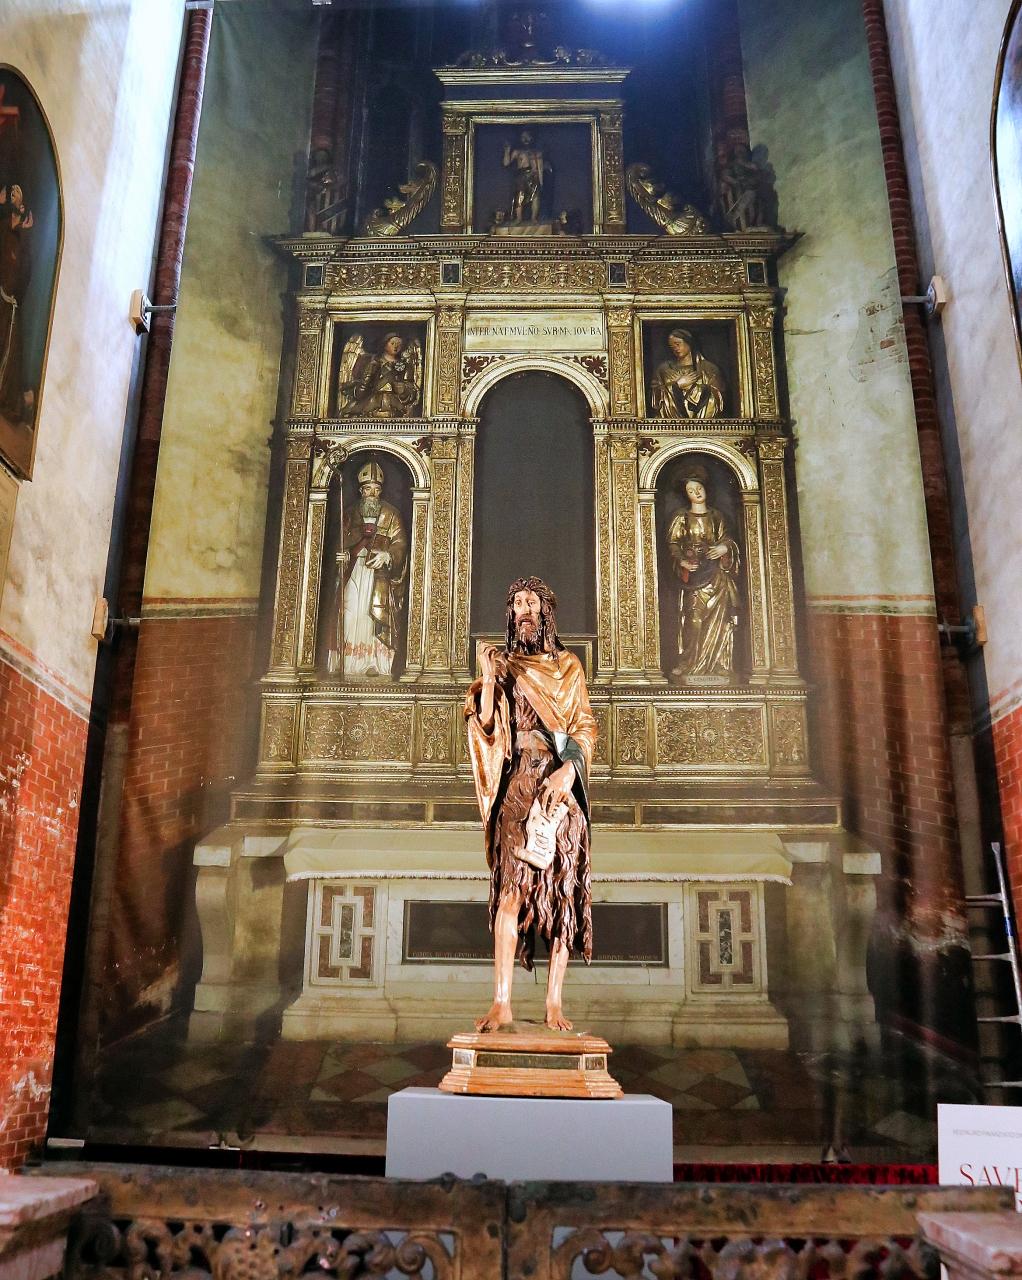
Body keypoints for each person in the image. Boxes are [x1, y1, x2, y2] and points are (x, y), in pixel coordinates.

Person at [464, 576, 598, 1032]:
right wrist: (487, 679)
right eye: (517, 603)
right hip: (519, 786)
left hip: (559, 788)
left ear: (545, 611)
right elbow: (486, 725)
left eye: (531, 603)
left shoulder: (568, 667)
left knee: (562, 893)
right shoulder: (505, 667)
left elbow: (584, 727)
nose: (524, 610)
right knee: (511, 892)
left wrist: (569, 771)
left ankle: (554, 1003)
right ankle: (501, 1002)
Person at [328, 460, 407, 678]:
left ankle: (373, 663)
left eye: (376, 489)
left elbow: (400, 543)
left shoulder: (391, 514)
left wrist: (388, 555)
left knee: (373, 616)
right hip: (354, 572)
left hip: (378, 575)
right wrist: (341, 554)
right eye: (368, 489)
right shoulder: (350, 512)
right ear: (361, 490)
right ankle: (347, 662)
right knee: (350, 612)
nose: (372, 493)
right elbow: (338, 543)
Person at [665, 464, 741, 682]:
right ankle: (689, 663)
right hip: (695, 575)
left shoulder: (716, 516)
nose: (696, 493)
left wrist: (724, 548)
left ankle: (718, 664)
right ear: (686, 494)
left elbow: (726, 539)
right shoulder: (682, 517)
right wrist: (682, 562)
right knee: (693, 619)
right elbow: (672, 543)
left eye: (698, 488)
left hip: (716, 575)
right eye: (691, 490)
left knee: (721, 621)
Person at [0, 183, 34, 426]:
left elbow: (24, 274)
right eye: (11, 194)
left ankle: (20, 400)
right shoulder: (3, 228)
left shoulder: (23, 240)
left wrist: (25, 235)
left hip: (9, 306)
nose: (13, 197)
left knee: (9, 353)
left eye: (18, 195)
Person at [337, 331, 421, 418]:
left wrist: (403, 390)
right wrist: (364, 385)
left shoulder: (406, 366)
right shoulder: (372, 363)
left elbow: (411, 391)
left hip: (395, 406)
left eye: (399, 344)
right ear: (384, 344)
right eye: (392, 343)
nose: (396, 346)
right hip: (372, 404)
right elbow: (361, 390)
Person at [649, 328, 726, 420]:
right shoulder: (664, 369)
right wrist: (677, 385)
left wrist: (692, 388)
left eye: (677, 344)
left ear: (689, 343)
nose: (675, 348)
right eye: (672, 347)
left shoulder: (708, 369)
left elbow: (719, 397)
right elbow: (655, 397)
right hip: (671, 424)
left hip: (704, 424)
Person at [502, 130, 550, 223]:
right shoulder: (517, 152)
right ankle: (519, 218)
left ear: (532, 138)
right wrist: (507, 151)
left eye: (528, 136)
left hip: (533, 175)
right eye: (523, 137)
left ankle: (534, 218)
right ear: (520, 139)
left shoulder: (537, 152)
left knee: (535, 197)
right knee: (519, 196)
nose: (526, 139)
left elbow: (540, 167)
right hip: (521, 175)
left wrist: (541, 182)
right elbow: (506, 163)